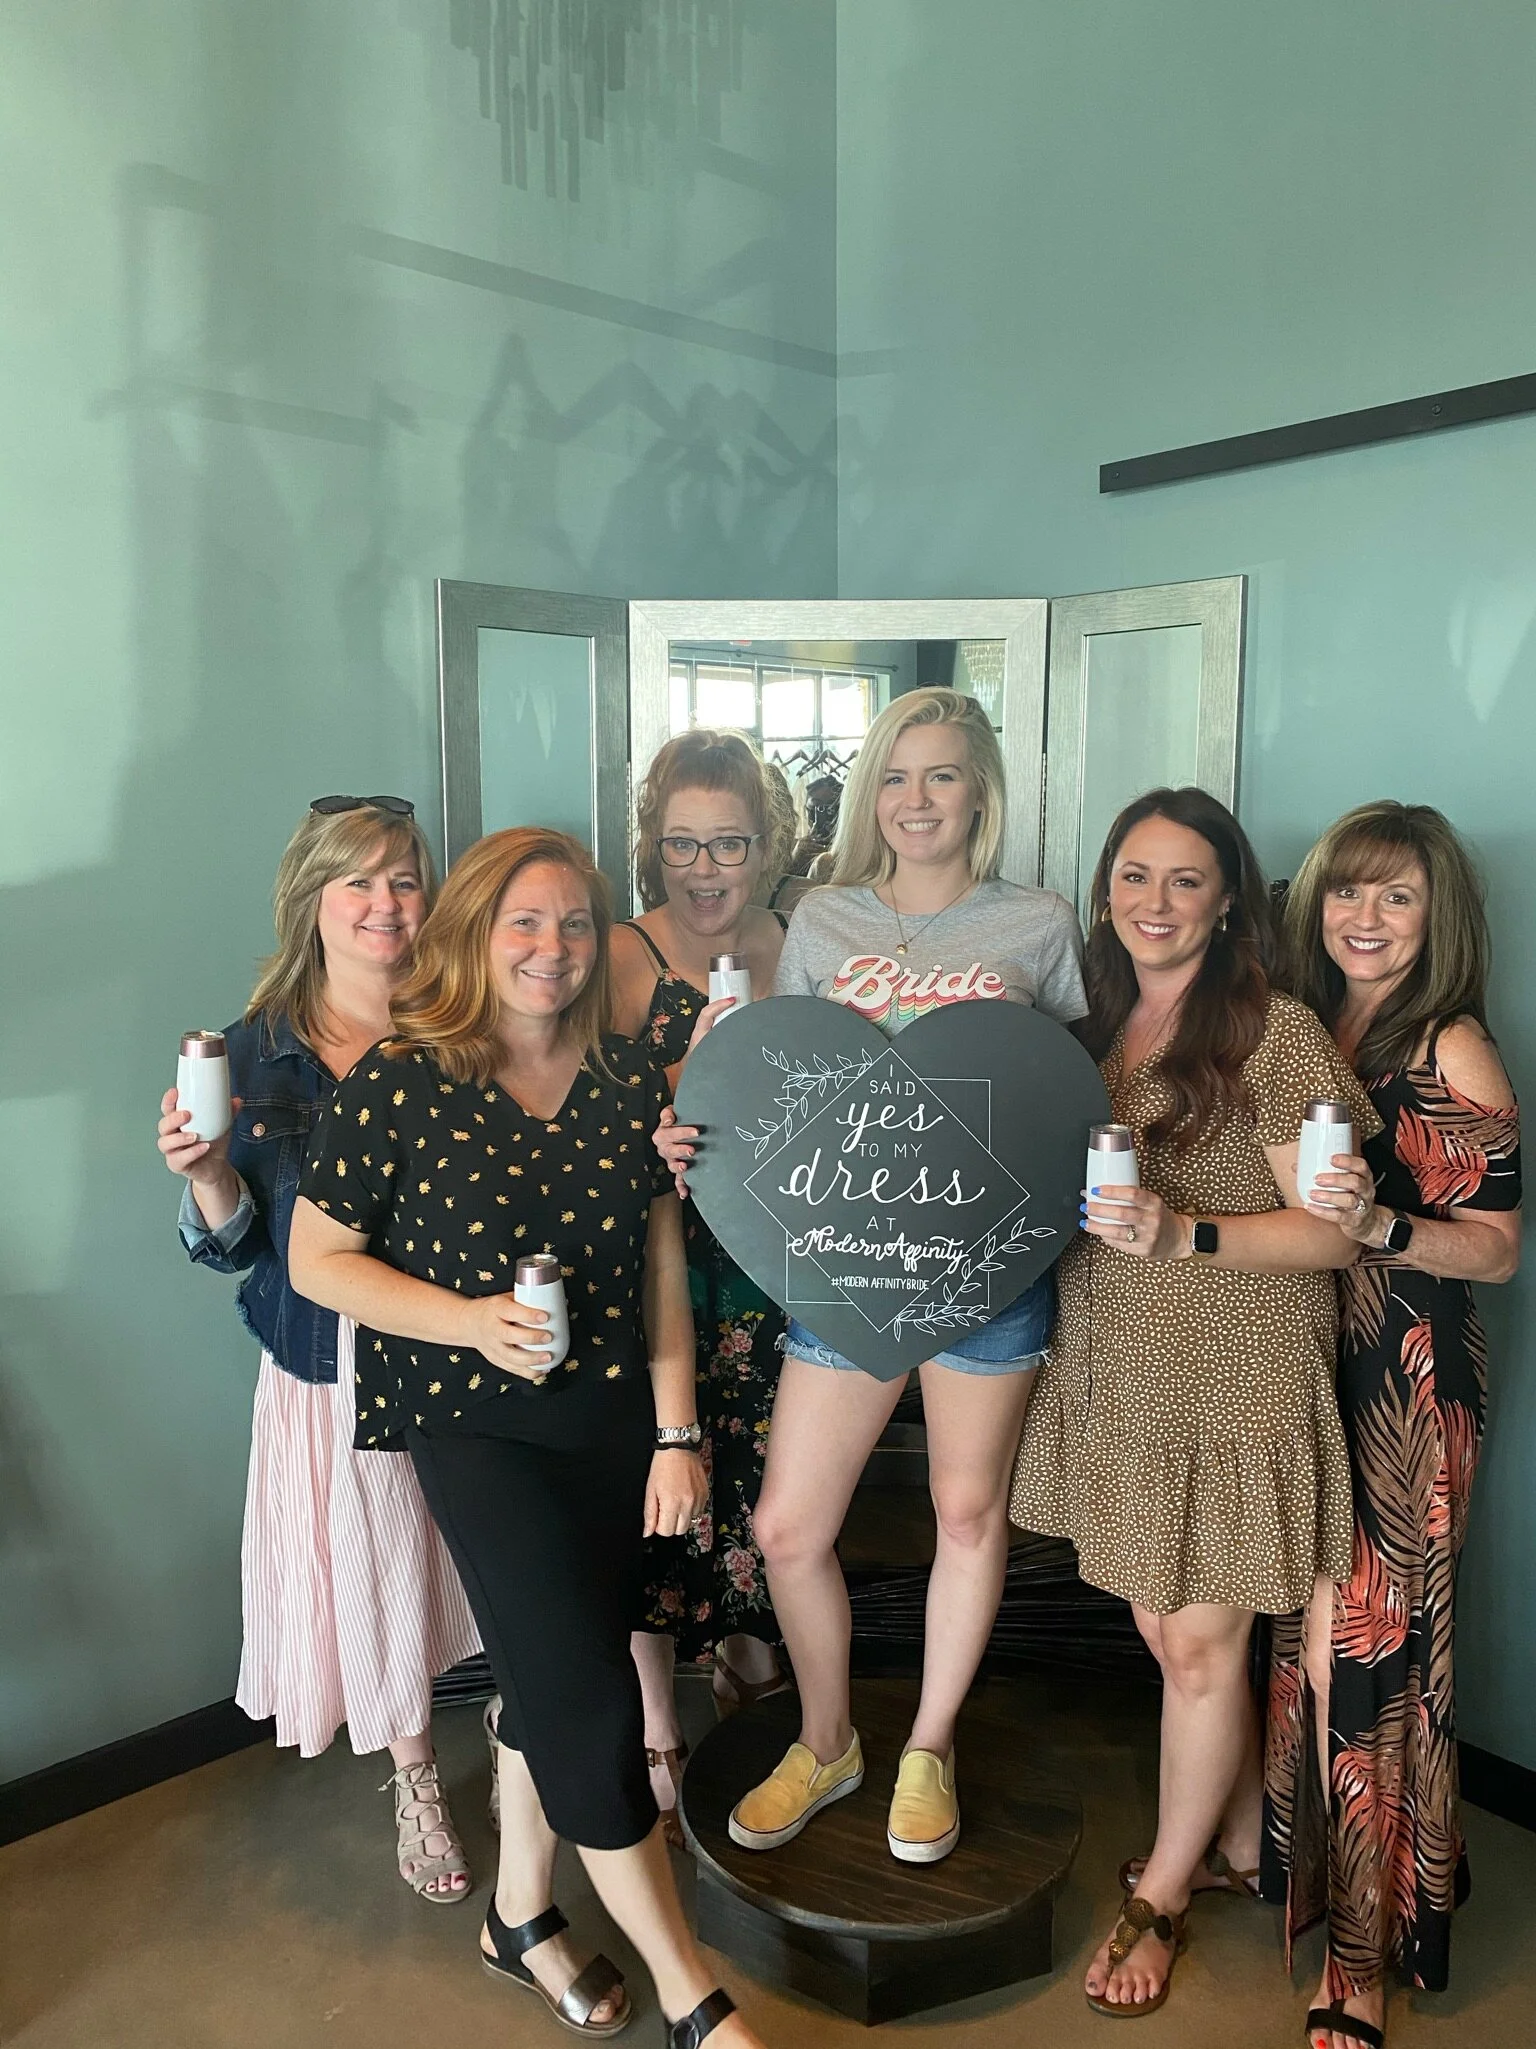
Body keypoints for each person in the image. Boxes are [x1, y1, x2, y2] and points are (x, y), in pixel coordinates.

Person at [287, 828, 760, 2049]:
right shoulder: (404, 1077)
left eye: (573, 924)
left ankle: (518, 1918)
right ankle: (691, 1994)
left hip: (610, 1424)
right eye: (523, 923)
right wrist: (469, 1324)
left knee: (552, 1674)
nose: (550, 949)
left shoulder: (623, 1082)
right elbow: (318, 1260)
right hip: (473, 1426)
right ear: (476, 936)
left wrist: (675, 1434)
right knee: (592, 1705)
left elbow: (661, 1261)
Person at [661, 687, 1088, 1868]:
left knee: (965, 1510)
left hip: (986, 1267)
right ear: (871, 795)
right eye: (897, 777)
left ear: (980, 791)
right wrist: (695, 1124)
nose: (917, 801)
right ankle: (830, 1736)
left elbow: (1069, 1103)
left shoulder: (1039, 925)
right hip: (845, 1272)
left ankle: (931, 1744)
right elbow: (775, 1087)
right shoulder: (825, 923)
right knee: (792, 1529)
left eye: (943, 776)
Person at [1009, 787, 1377, 2021]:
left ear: (1229, 901)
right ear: (1104, 892)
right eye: (1132, 877)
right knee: (1170, 1632)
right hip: (1121, 1364)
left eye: (1183, 880)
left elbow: (1336, 1237)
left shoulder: (1271, 1032)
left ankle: (1161, 1894)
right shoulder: (1096, 1018)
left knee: (1204, 1641)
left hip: (1232, 1374)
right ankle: (1226, 1843)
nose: (1153, 902)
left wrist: (1185, 1231)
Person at [157, 796, 480, 1901]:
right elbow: (238, 1248)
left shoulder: (461, 1019)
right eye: (360, 881)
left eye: (404, 879)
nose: (386, 904)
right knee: (386, 1571)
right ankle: (418, 1775)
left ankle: (540, 1729)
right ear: (313, 901)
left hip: (459, 1342)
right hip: (329, 1364)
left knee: (488, 1553)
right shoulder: (251, 1051)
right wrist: (203, 1178)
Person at [1270, 802, 1521, 2049]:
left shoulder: (1450, 1046)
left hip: (1407, 1381)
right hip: (1311, 1363)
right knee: (1320, 1647)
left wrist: (1381, 1227)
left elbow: (1502, 1251)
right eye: (1348, 894)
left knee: (1365, 1664)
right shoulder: (1311, 1029)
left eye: (1397, 899)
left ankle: (1360, 1965)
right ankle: (1403, 1871)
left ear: (1440, 920)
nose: (1365, 921)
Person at [611, 730, 797, 1844]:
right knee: (658, 1482)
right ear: (654, 848)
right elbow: (593, 1125)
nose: (706, 868)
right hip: (663, 1261)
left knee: (765, 1478)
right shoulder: (626, 955)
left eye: (728, 842)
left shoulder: (806, 938)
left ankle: (744, 1659)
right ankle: (651, 1721)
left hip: (777, 1265)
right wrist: (695, 1075)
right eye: (682, 843)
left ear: (769, 844)